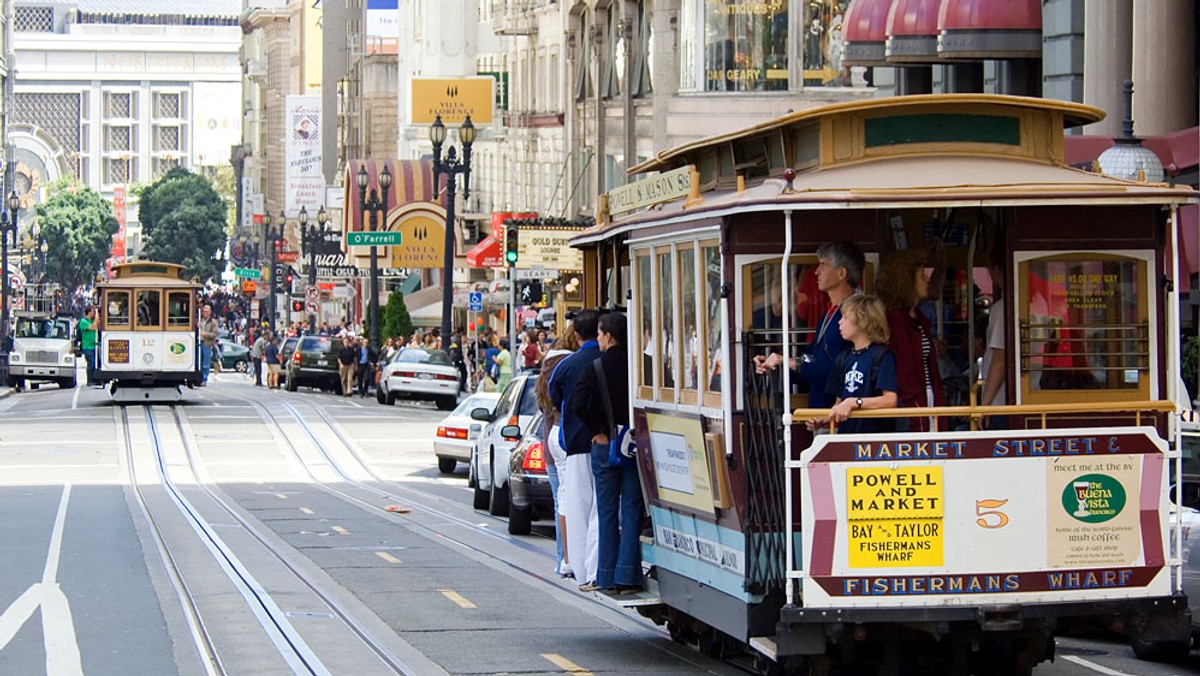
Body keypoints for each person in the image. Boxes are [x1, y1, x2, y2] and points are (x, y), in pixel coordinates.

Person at [572, 312, 641, 594]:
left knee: (607, 510)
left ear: (608, 336)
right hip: (635, 446)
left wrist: (597, 430)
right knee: (633, 508)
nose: (598, 340)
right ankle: (629, 575)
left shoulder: (595, 367)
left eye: (600, 335)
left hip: (605, 445)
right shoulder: (642, 366)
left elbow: (578, 403)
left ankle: (607, 575)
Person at [754, 241, 864, 410]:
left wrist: (788, 361)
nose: (816, 271)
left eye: (823, 265)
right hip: (821, 414)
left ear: (841, 273)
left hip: (838, 417)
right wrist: (776, 365)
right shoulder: (829, 314)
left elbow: (835, 369)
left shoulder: (854, 317)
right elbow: (811, 360)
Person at [548, 310, 602, 591]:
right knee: (602, 508)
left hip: (577, 442)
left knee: (578, 506)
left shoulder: (566, 365)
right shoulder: (607, 360)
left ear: (577, 334)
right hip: (610, 441)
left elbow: (554, 397)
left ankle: (580, 569)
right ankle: (598, 568)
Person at [877, 249, 946, 432]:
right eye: (922, 275)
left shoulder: (919, 319)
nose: (927, 279)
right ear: (907, 281)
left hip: (928, 397)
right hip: (914, 403)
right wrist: (916, 412)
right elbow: (905, 373)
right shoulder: (896, 323)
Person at [811, 294, 898, 434]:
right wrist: (823, 419)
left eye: (845, 317)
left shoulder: (882, 356)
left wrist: (854, 403)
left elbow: (890, 400)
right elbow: (839, 403)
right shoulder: (843, 358)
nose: (840, 322)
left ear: (863, 321)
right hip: (847, 438)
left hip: (875, 441)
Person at [535, 326, 581, 578]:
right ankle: (570, 558)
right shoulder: (570, 365)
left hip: (548, 442)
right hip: (565, 439)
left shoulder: (547, 364)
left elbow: (543, 406)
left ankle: (561, 558)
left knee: (559, 502)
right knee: (573, 500)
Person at [980, 249, 1007, 428]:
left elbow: (1000, 359)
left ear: (996, 270)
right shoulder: (1040, 303)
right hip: (1034, 392)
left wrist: (984, 406)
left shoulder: (1002, 309)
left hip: (1001, 401)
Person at [199, 304, 219, 386]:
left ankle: (204, 378)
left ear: (210, 312)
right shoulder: (199, 320)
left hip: (207, 343)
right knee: (198, 361)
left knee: (205, 363)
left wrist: (205, 334)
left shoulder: (213, 322)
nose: (205, 313)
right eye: (204, 311)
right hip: (198, 342)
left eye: (207, 312)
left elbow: (215, 334)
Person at [79, 306, 99, 387]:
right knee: (91, 363)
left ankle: (95, 379)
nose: (94, 313)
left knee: (96, 363)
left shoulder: (92, 320)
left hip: (94, 346)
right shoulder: (83, 321)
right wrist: (97, 315)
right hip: (87, 347)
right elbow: (93, 327)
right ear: (89, 312)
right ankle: (89, 380)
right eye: (93, 311)